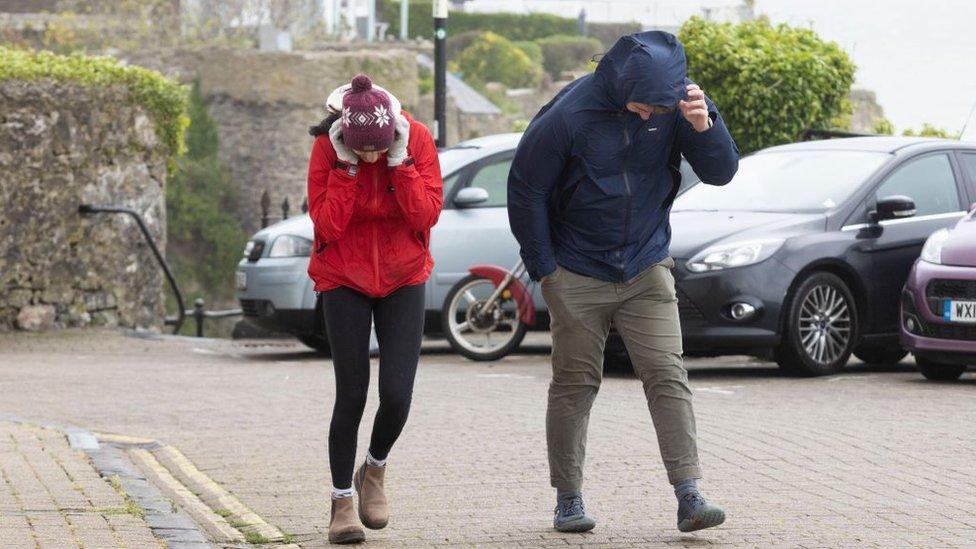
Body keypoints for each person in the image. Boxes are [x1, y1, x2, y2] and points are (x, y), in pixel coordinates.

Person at [507, 31, 739, 534]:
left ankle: (690, 494)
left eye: (657, 110)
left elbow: (721, 173)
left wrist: (706, 127)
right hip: (576, 271)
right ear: (618, 84)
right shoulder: (568, 115)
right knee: (575, 384)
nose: (647, 116)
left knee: (667, 374)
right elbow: (526, 191)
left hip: (646, 265)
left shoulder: (678, 105)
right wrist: (548, 270)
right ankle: (568, 499)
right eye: (640, 107)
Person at [306, 74, 443, 544]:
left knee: (398, 393)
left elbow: (426, 214)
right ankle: (341, 500)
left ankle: (375, 469)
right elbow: (327, 223)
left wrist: (400, 164)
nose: (371, 158)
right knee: (352, 394)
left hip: (404, 276)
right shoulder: (329, 147)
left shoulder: (416, 140)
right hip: (343, 276)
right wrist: (346, 169)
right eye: (361, 149)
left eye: (377, 150)